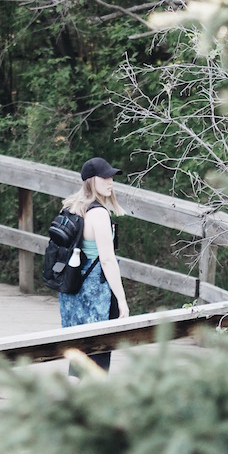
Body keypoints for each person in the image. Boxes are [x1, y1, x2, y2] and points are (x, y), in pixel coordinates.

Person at [58, 156, 129, 371]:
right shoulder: (98, 213)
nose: (110, 181)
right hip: (95, 295)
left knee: (78, 358)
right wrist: (122, 300)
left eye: (111, 177)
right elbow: (107, 261)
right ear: (91, 180)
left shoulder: (72, 206)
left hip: (72, 292)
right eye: (104, 177)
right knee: (98, 358)